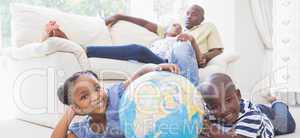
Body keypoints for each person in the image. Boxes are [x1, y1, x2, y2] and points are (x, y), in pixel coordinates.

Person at [48, 64, 179, 138]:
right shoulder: (88, 129)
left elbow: (139, 75)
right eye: (84, 97)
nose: (95, 96)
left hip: (164, 120)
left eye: (97, 88)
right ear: (78, 108)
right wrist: (70, 112)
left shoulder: (116, 94)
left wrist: (157, 68)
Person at [43, 20, 201, 86]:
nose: (178, 26)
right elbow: (142, 22)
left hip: (176, 58)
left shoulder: (185, 38)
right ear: (166, 30)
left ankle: (191, 91)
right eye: (174, 25)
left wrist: (192, 41)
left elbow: (200, 61)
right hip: (158, 59)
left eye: (180, 25)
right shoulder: (159, 38)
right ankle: (78, 47)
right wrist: (119, 16)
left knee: (182, 44)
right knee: (138, 50)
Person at [194, 73, 296, 138]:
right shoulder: (210, 114)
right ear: (208, 107)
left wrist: (209, 130)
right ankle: (262, 105)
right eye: (215, 106)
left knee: (287, 125)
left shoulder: (251, 117)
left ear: (238, 95)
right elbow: (195, 137)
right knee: (257, 107)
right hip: (246, 108)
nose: (223, 110)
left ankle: (277, 102)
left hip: (269, 121)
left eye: (228, 100)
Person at [105, 4, 223, 66]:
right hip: (163, 57)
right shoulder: (175, 29)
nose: (188, 16)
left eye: (194, 14)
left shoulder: (208, 27)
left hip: (187, 60)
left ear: (202, 18)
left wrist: (203, 57)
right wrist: (120, 16)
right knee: (137, 50)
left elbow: (217, 50)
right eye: (187, 13)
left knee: (138, 50)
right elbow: (145, 23)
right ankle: (90, 51)